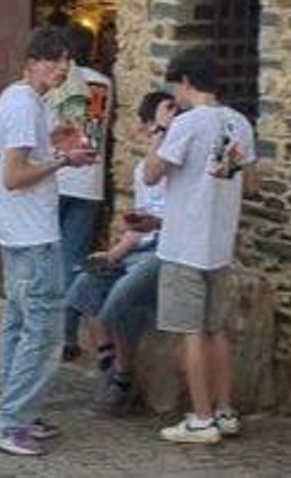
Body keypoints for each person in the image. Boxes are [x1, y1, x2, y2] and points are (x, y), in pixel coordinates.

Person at [0, 26, 98, 457]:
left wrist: (62, 147)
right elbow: (14, 176)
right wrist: (63, 161)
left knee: (18, 324)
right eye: (54, 60)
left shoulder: (25, 101)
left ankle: (19, 411)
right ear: (32, 62)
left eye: (66, 60)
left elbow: (22, 156)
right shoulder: (22, 105)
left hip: (19, 231)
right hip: (33, 235)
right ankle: (11, 423)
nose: (62, 68)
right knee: (45, 333)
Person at [142, 48, 256, 446]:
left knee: (189, 332)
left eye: (176, 86)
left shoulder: (186, 124)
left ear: (186, 81)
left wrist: (159, 130)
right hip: (219, 242)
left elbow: (152, 174)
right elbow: (250, 182)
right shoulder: (239, 122)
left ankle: (201, 418)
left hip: (183, 243)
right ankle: (224, 410)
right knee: (216, 330)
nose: (175, 94)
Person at [65, 91, 172, 416]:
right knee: (87, 282)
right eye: (158, 126)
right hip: (140, 248)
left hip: (165, 251)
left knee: (123, 296)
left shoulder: (179, 168)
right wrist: (113, 254)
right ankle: (108, 364)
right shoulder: (143, 171)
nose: (163, 133)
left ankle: (122, 377)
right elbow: (139, 228)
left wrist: (154, 225)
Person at [45, 23, 113, 360]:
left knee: (47, 257)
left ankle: (51, 333)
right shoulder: (104, 83)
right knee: (73, 262)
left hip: (56, 176)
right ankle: (68, 336)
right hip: (89, 182)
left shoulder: (56, 83)